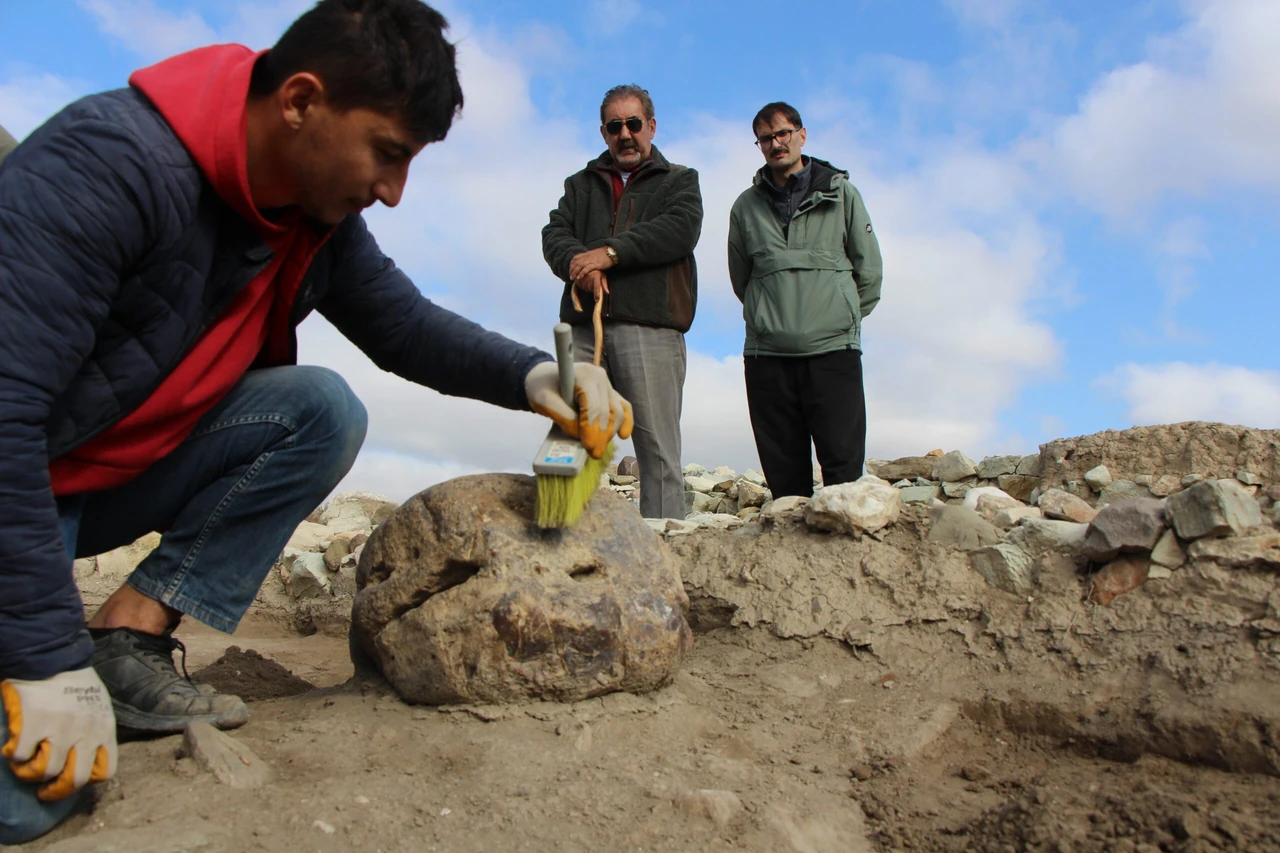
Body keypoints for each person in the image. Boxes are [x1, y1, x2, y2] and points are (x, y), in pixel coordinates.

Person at [0, 0, 632, 843]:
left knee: (318, 410)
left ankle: (125, 643)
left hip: (94, 484)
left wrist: (537, 376)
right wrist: (42, 660)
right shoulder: (111, 167)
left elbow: (404, 325)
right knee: (33, 793)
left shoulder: (313, 217)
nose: (393, 192)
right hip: (21, 486)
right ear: (300, 101)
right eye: (388, 153)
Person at [542, 85, 703, 519]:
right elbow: (554, 234)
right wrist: (580, 263)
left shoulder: (680, 180)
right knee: (569, 436)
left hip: (650, 328)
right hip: (582, 327)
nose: (625, 134)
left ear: (651, 126)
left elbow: (679, 229)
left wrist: (609, 254)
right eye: (615, 126)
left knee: (656, 448)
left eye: (634, 124)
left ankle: (665, 555)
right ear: (604, 132)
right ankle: (560, 539)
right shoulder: (579, 185)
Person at [727, 102, 883, 498]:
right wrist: (769, 318)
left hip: (833, 351)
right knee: (785, 484)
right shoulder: (745, 206)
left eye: (782, 133)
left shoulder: (843, 194)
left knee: (844, 476)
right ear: (759, 146)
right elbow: (742, 278)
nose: (776, 143)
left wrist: (838, 315)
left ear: (801, 134)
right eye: (766, 138)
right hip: (768, 357)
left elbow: (869, 272)